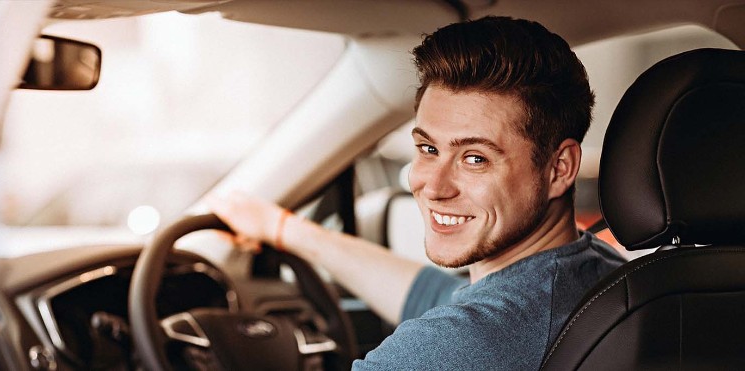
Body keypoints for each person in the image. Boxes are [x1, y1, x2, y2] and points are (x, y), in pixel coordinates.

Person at [206, 16, 626, 370]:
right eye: (428, 149)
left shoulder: (462, 344)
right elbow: (434, 296)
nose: (433, 186)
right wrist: (285, 229)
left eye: (475, 158)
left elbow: (463, 325)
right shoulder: (598, 272)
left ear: (560, 168)